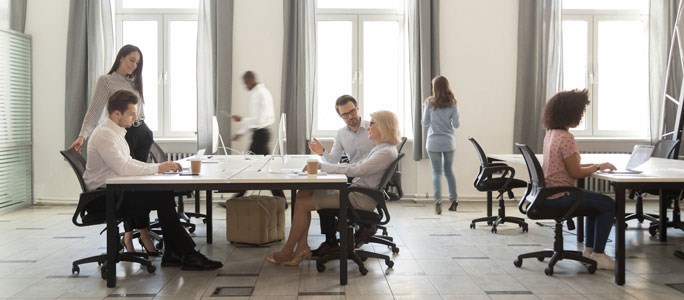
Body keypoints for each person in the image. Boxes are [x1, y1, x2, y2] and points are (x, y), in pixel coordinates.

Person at [83, 90, 222, 270]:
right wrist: (157, 168)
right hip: (104, 198)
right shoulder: (105, 135)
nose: (135, 118)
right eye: (131, 113)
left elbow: (128, 162)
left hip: (116, 192)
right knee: (162, 197)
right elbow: (123, 168)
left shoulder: (116, 133)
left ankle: (175, 253)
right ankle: (187, 254)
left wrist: (158, 167)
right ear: (117, 113)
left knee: (163, 193)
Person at [265, 110, 400, 266]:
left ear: (383, 126)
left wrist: (324, 167)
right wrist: (326, 167)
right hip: (357, 193)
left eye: (372, 123)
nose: (368, 127)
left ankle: (288, 251)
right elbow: (356, 166)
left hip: (359, 199)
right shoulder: (382, 148)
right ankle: (302, 248)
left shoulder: (385, 152)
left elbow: (357, 170)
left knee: (301, 203)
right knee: (304, 193)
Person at [68, 44, 157, 255]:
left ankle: (131, 235)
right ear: (120, 58)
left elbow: (138, 112)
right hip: (124, 136)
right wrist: (83, 135)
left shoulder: (134, 81)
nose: (134, 66)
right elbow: (94, 112)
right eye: (131, 60)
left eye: (137, 63)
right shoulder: (106, 81)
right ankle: (140, 234)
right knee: (131, 184)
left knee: (139, 184)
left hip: (141, 133)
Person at [541, 89, 616, 270]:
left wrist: (595, 165)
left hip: (549, 194)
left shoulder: (551, 134)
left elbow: (567, 166)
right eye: (580, 112)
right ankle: (598, 253)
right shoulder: (566, 137)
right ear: (569, 113)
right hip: (562, 196)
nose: (582, 116)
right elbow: (574, 173)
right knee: (608, 204)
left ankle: (590, 252)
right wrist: (597, 167)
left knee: (593, 206)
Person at [307, 95, 376, 257]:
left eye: (352, 111)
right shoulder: (340, 134)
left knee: (326, 194)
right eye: (345, 114)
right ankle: (330, 240)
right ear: (340, 116)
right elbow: (333, 159)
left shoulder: (371, 128)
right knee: (324, 190)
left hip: (369, 177)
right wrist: (322, 152)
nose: (350, 117)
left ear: (358, 108)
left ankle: (364, 223)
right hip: (353, 174)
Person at [231, 71, 285, 199]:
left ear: (250, 80)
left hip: (260, 135)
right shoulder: (263, 92)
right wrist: (241, 132)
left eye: (245, 83)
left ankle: (236, 198)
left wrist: (241, 119)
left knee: (250, 166)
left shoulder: (258, 94)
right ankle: (281, 199)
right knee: (262, 167)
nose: (245, 86)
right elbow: (257, 120)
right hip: (262, 133)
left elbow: (258, 120)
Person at [421, 76, 460, 215]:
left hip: (433, 142)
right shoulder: (453, 103)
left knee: (436, 172)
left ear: (434, 88)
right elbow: (456, 125)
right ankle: (454, 200)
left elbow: (424, 123)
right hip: (448, 141)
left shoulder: (429, 103)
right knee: (448, 171)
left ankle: (438, 202)